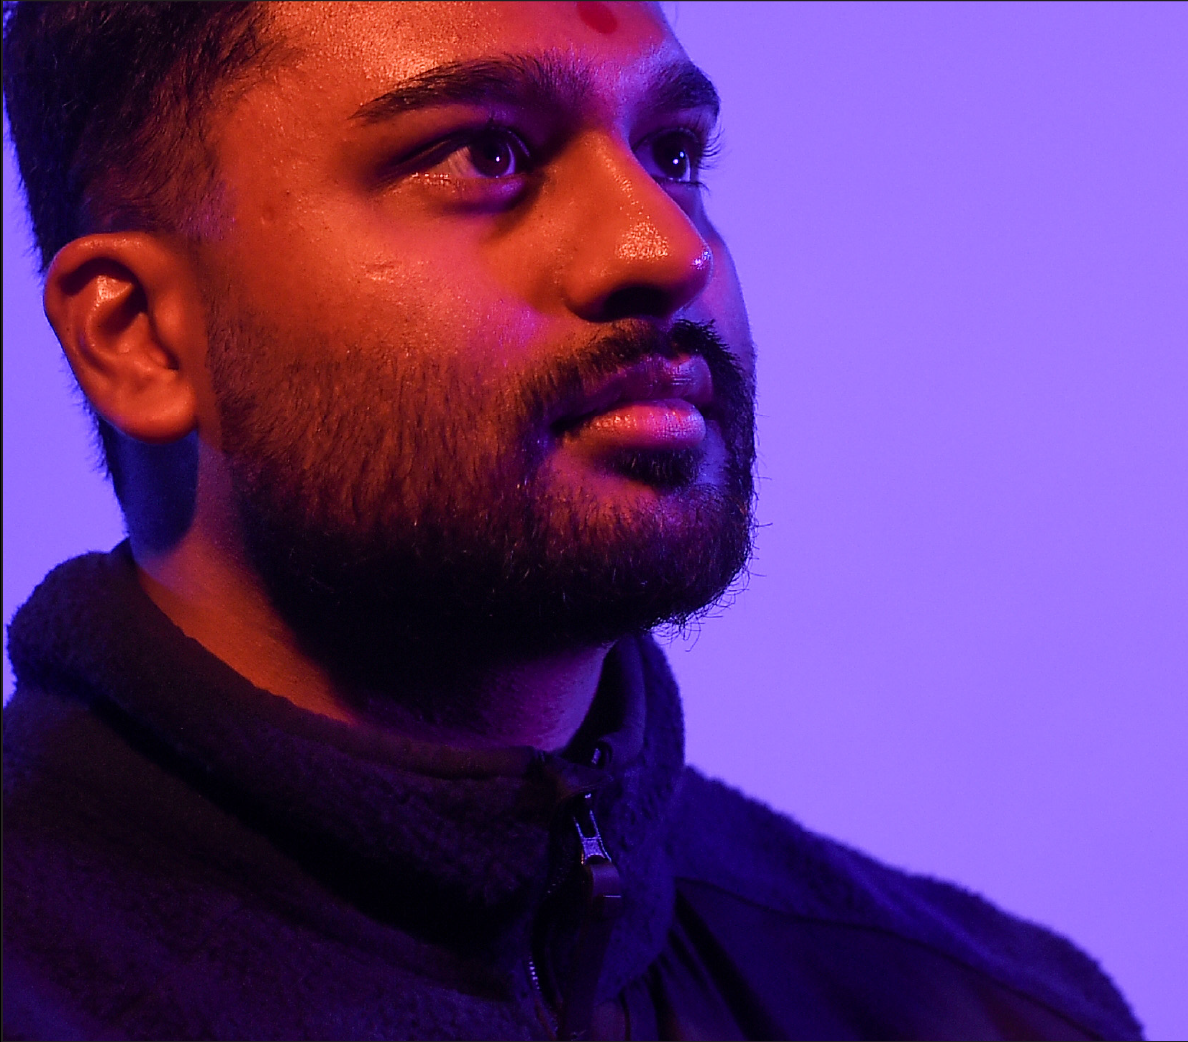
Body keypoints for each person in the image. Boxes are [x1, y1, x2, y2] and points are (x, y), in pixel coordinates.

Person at [1, 3, 1141, 1039]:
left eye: (673, 153)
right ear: (141, 336)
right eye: (486, 155)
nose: (669, 248)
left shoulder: (990, 1012)